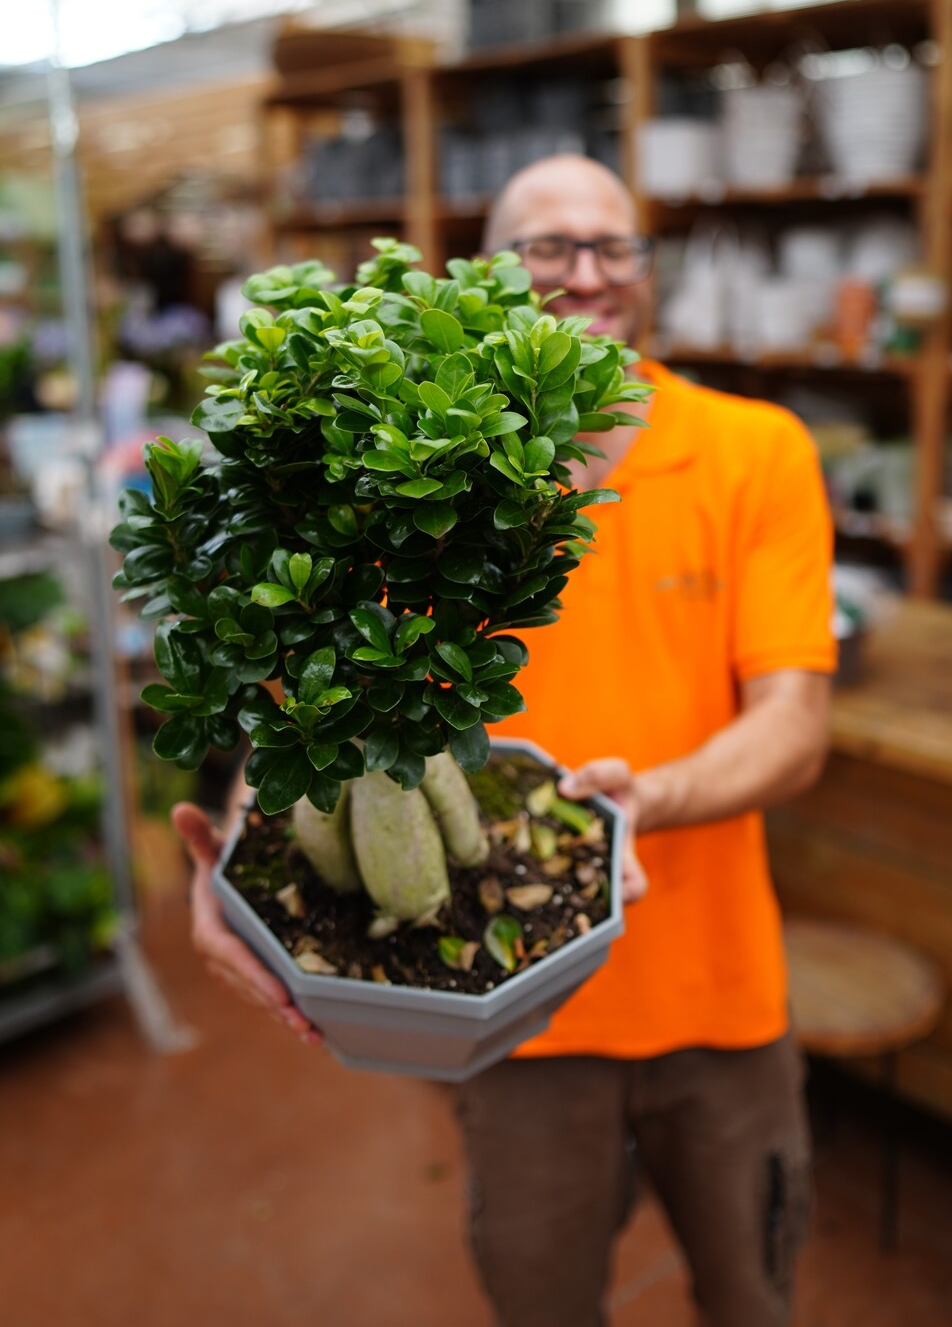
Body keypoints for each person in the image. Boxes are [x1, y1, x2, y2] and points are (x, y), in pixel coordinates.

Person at [173, 155, 835, 1327]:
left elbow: (793, 722)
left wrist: (647, 799)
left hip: (720, 995)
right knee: (540, 1295)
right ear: (482, 276)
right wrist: (235, 851)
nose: (585, 274)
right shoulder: (412, 469)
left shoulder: (753, 449)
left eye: (612, 246)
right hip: (504, 1009)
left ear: (644, 268)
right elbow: (307, 692)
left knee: (754, 1292)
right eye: (547, 246)